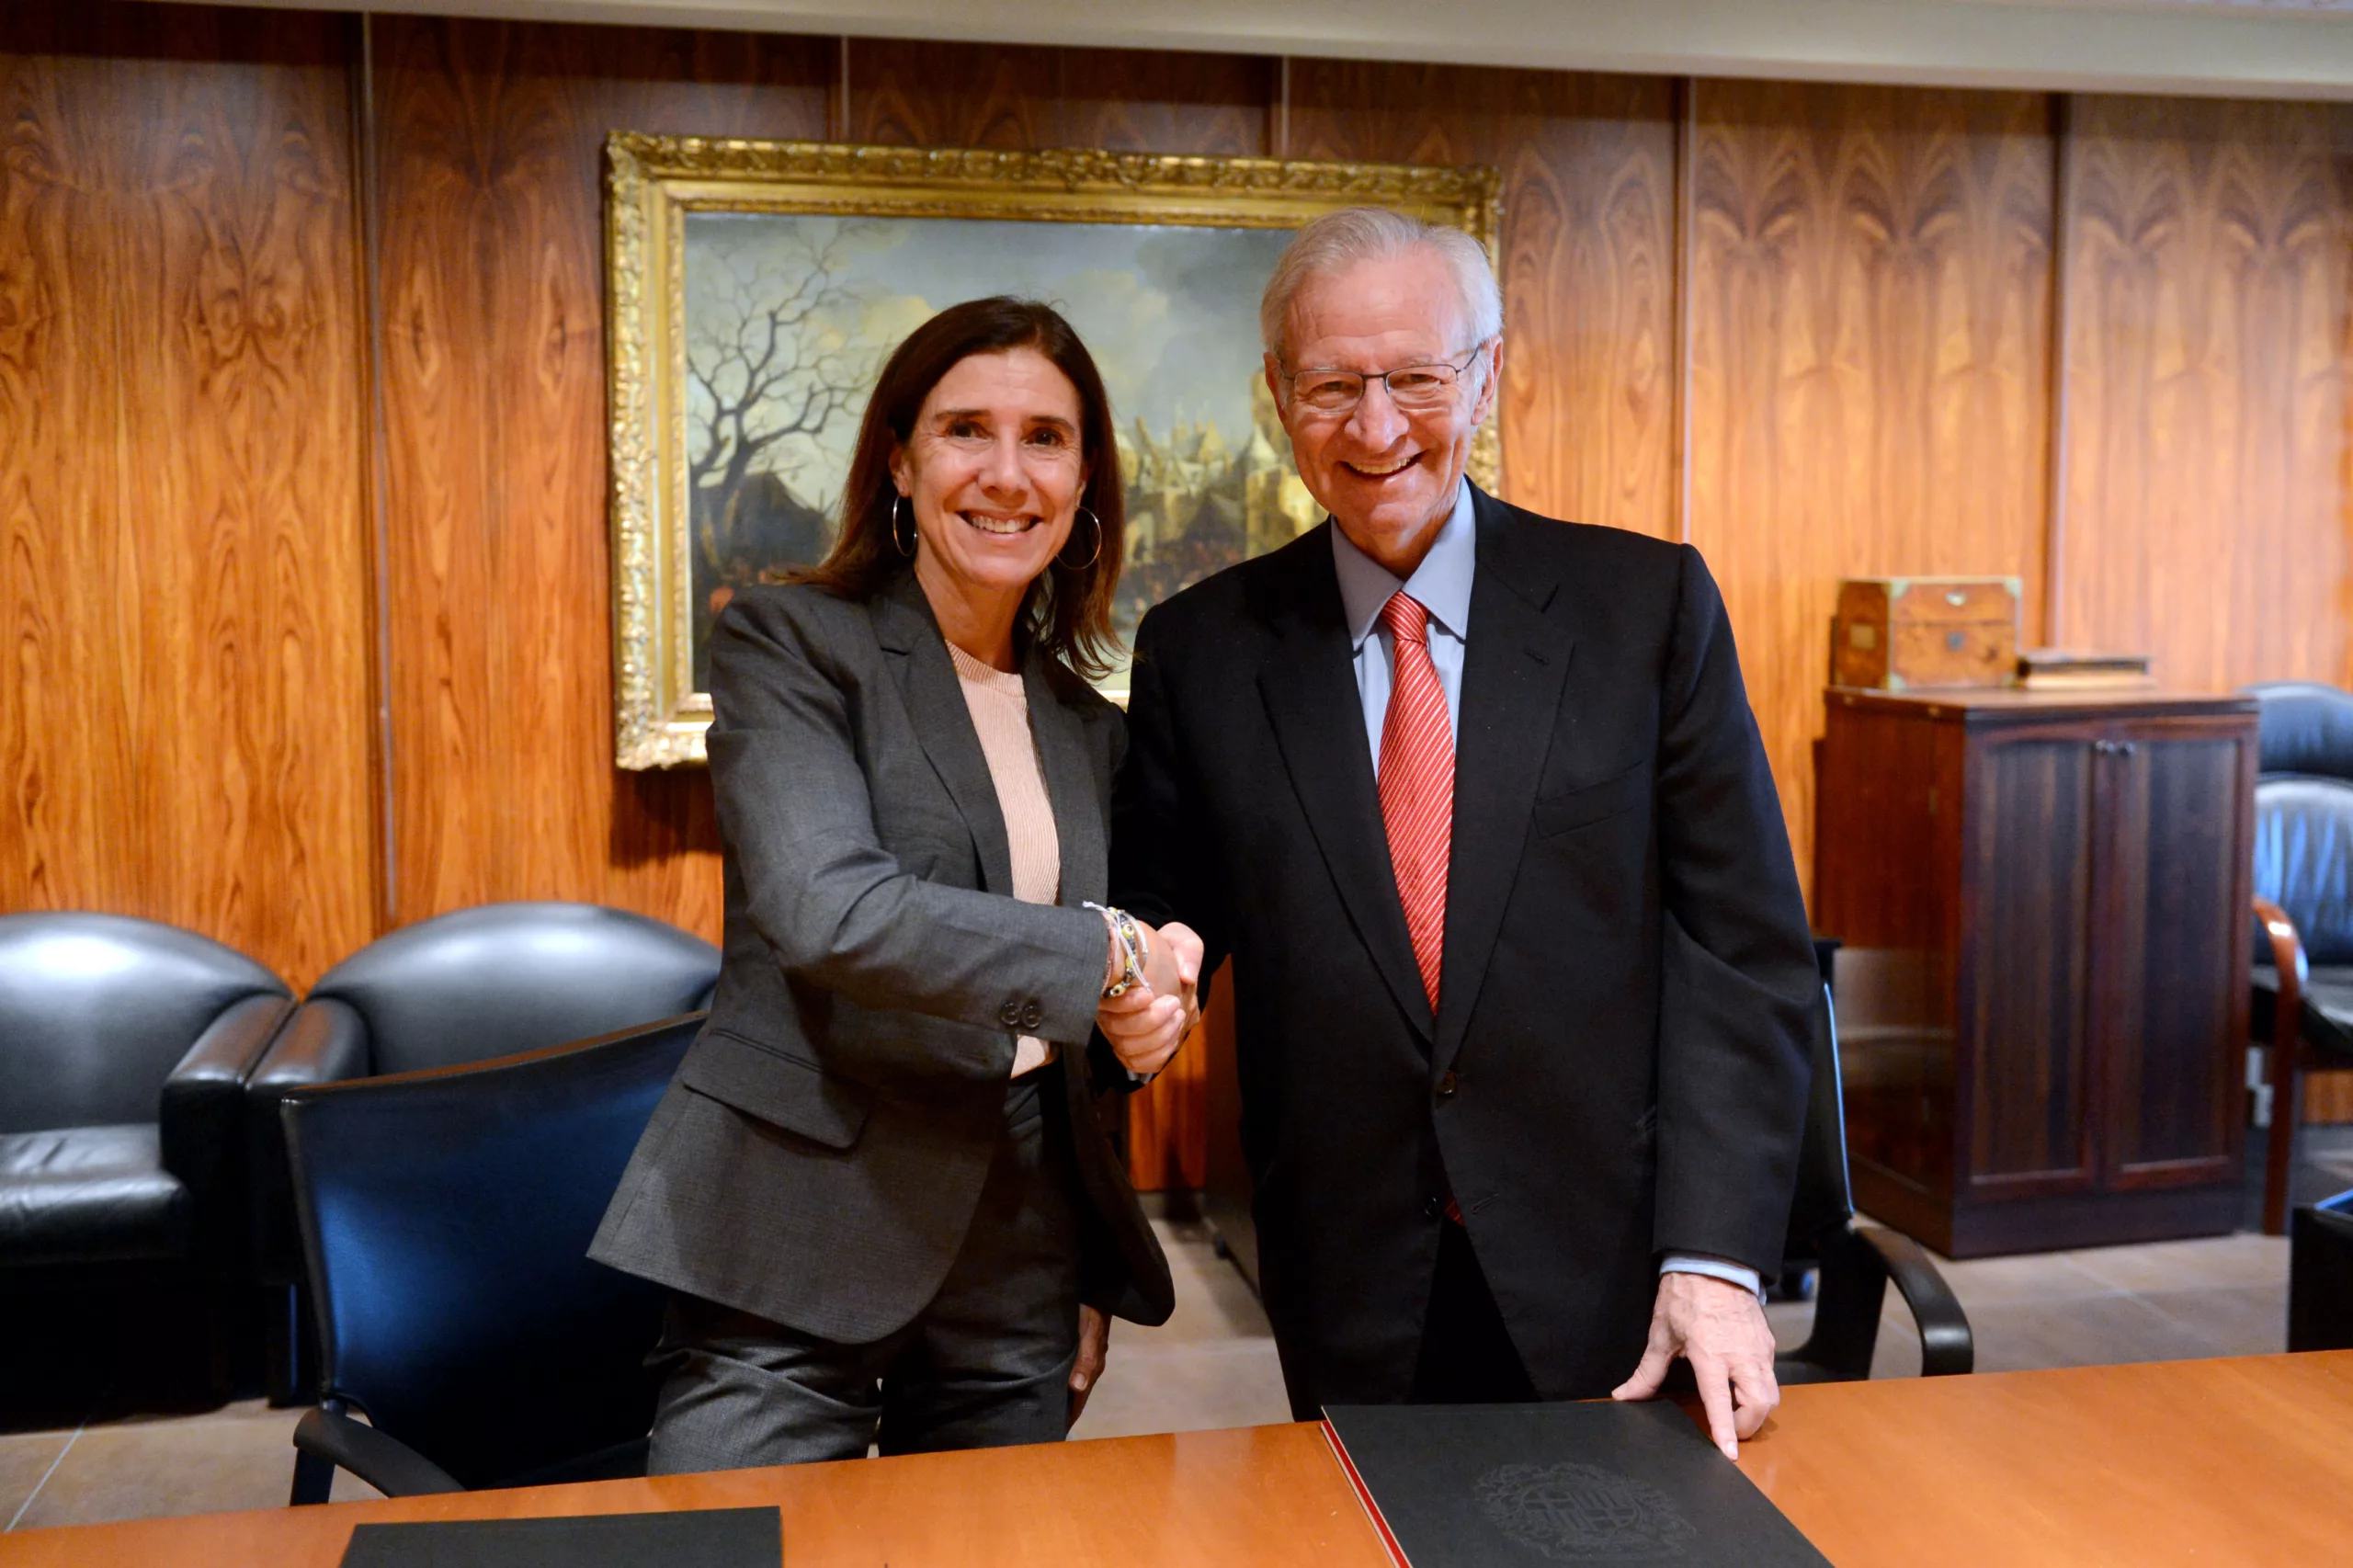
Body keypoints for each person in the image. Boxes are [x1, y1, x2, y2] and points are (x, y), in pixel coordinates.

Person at [1110, 209, 1816, 1460]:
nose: (1377, 430)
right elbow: (1167, 924)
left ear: (1485, 377)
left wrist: (1715, 1256)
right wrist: (1143, 987)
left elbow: (1741, 954)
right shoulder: (1202, 651)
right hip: (1351, 1279)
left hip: (1621, 1269)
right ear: (1280, 394)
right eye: (1333, 385)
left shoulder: (1642, 610)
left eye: (1417, 379)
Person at [592, 296, 1203, 1471]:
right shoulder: (791, 642)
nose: (1006, 472)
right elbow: (834, 913)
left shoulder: (1088, 725)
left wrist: (1141, 1019)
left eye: (1046, 437)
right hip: (796, 1219)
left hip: (1018, 1247)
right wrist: (1110, 955)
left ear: (1085, 481)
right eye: (966, 427)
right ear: (900, 459)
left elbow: (1078, 1028)